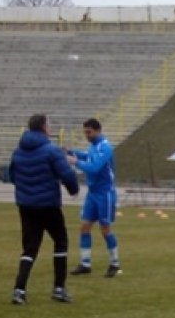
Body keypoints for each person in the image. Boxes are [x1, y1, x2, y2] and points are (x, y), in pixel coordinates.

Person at [9, 114, 79, 304]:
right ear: (43, 127)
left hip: (26, 205)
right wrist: (73, 189)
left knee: (30, 248)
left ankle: (19, 290)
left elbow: (13, 176)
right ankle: (59, 287)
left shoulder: (18, 151)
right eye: (49, 125)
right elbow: (66, 173)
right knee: (61, 241)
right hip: (48, 204)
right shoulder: (51, 150)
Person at [67, 118, 121, 278]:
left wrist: (75, 161)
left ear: (97, 130)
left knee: (105, 229)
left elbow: (94, 168)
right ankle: (85, 264)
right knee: (84, 227)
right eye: (85, 132)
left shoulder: (105, 147)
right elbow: (87, 157)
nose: (86, 135)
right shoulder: (93, 146)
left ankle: (115, 263)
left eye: (88, 132)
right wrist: (72, 152)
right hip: (93, 193)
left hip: (105, 194)